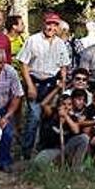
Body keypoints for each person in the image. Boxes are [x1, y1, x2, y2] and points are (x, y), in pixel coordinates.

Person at [17, 12, 71, 160]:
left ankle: (42, 149)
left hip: (52, 85)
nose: (51, 27)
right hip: (34, 81)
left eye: (54, 25)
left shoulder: (60, 43)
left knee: (48, 117)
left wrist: (63, 84)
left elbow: (63, 66)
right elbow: (23, 64)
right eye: (49, 24)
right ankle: (26, 152)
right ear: (44, 24)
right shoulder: (33, 40)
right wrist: (30, 86)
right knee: (34, 116)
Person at [34, 93, 89, 166]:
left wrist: (66, 116)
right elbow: (43, 104)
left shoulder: (73, 118)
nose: (66, 107)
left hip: (66, 149)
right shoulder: (52, 113)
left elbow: (76, 130)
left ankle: (76, 168)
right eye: (64, 104)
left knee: (84, 138)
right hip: (51, 149)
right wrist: (57, 88)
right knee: (39, 161)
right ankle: (56, 164)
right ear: (58, 106)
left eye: (69, 104)